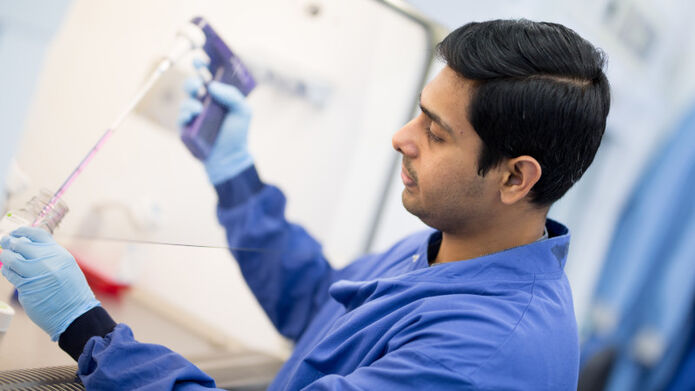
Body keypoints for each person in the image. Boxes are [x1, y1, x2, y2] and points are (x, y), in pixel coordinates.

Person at [0, 19, 610, 390]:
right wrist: (236, 176)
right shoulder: (449, 249)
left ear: (514, 178)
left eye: (436, 131)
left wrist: (89, 331)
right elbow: (316, 305)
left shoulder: (484, 356)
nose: (402, 137)